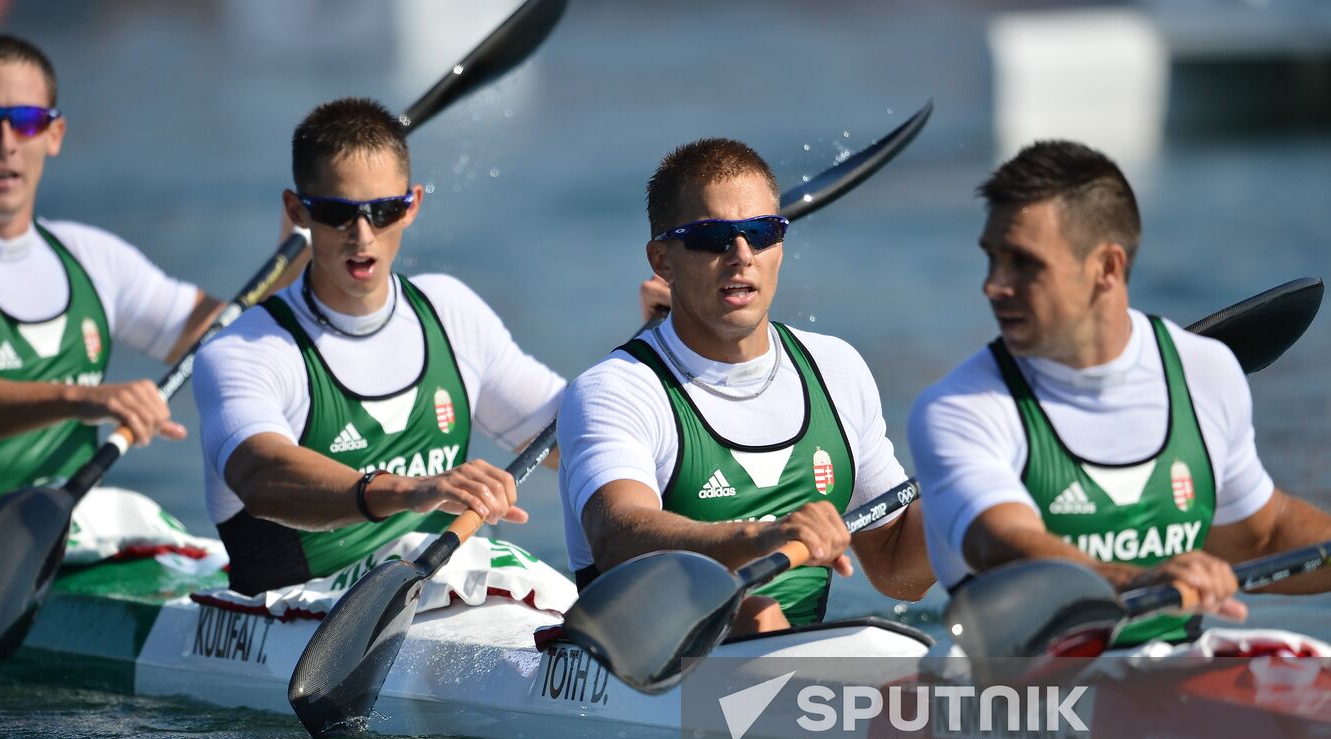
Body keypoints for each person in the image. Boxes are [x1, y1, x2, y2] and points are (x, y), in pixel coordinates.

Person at [908, 139, 1331, 647]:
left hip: (1173, 685)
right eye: (992, 259)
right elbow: (1004, 545)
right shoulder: (960, 408)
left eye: (1023, 264)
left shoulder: (1207, 372)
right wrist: (1142, 580)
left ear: (1107, 268)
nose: (994, 285)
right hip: (1026, 699)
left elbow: (1262, 536)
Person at [558, 138, 933, 634]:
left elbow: (897, 572)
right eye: (714, 238)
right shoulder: (618, 389)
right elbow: (618, 534)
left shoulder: (836, 368)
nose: (741, 255)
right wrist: (761, 537)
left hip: (796, 676)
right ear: (662, 261)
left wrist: (974, 490)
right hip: (657, 664)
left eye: (761, 233)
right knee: (753, 614)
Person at [192, 97, 564, 595]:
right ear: (297, 210)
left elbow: (579, 440)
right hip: (303, 615)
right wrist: (412, 491)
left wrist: (660, 347)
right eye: (337, 213)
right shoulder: (247, 349)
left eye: (383, 210)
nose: (362, 235)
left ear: (411, 205)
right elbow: (260, 475)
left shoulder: (451, 312)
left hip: (446, 598)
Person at [0, 34, 224, 524]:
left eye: (26, 122)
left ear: (55, 134)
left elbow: (231, 338)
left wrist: (309, 254)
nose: (4, 143)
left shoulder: (92, 256)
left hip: (67, 548)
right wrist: (80, 398)